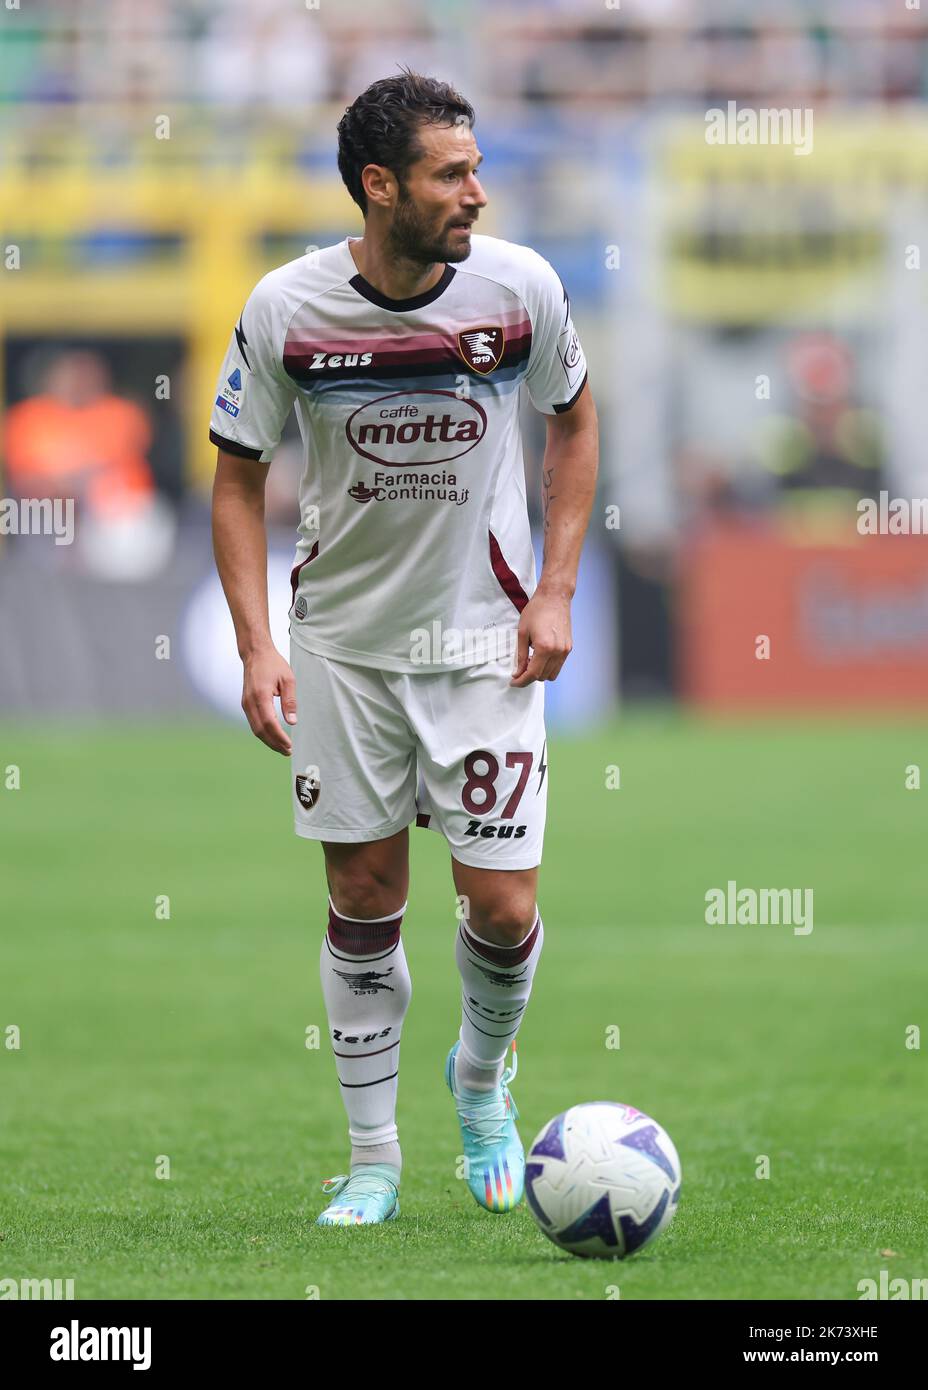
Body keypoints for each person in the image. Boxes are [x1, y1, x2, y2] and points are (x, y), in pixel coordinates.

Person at [210, 70, 598, 1226]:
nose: (477, 191)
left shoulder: (519, 289)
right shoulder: (288, 308)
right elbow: (235, 479)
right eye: (451, 173)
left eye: (476, 168)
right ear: (380, 188)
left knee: (504, 908)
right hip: (343, 650)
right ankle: (373, 1159)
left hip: (483, 647)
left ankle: (480, 1080)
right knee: (364, 899)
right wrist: (255, 647)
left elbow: (573, 420)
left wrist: (557, 590)